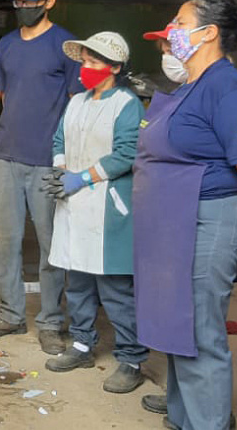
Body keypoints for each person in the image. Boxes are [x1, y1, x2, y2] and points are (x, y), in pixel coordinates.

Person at [133, 0, 237, 430]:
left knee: (198, 330)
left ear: (209, 32)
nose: (171, 30)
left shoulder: (228, 89)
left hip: (209, 218)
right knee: (180, 324)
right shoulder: (190, 86)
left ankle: (208, 421)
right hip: (177, 220)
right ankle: (184, 416)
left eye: (179, 23)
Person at [0, 0, 84, 354]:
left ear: (49, 2)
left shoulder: (66, 45)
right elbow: (3, 90)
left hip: (48, 160)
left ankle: (50, 322)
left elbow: (77, 102)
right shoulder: (6, 44)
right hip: (6, 155)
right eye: (19, 1)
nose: (24, 7)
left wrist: (69, 157)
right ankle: (10, 314)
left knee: (51, 243)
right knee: (4, 240)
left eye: (32, 2)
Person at [40, 32, 148, 393]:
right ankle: (82, 345)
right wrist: (60, 170)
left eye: (94, 62)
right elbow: (59, 139)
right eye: (84, 61)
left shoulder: (127, 104)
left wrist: (81, 177)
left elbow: (126, 154)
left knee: (116, 289)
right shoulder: (77, 102)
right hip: (73, 206)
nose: (85, 68)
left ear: (115, 67)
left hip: (107, 208)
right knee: (78, 283)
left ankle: (131, 359)